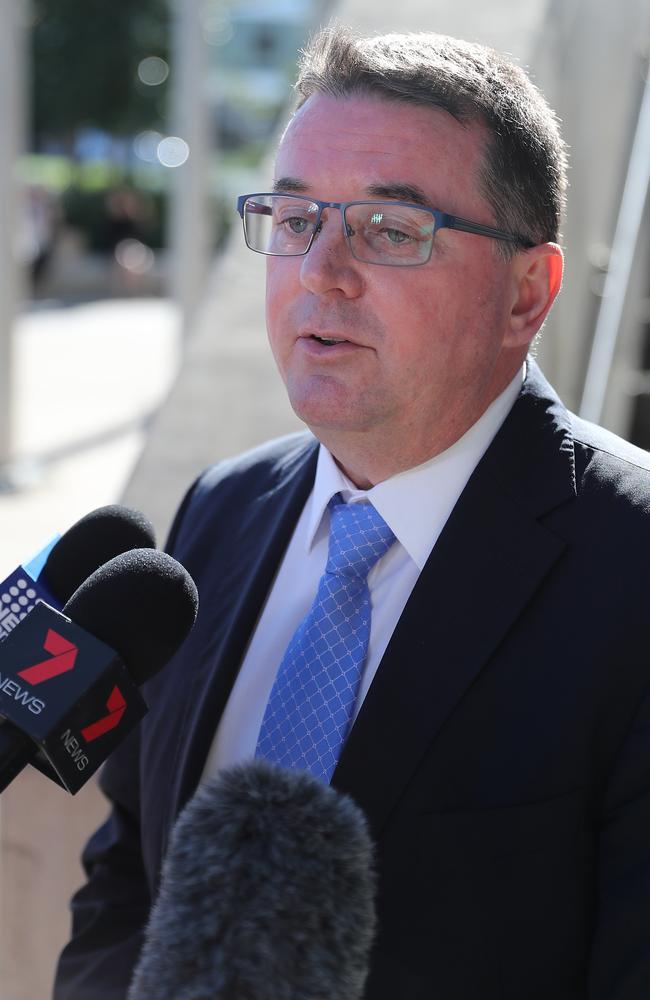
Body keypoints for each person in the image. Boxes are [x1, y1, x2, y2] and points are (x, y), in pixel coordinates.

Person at [55, 26, 650, 999]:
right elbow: (129, 867)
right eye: (292, 219)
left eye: (387, 229)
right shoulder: (220, 509)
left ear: (525, 293)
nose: (319, 272)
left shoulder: (626, 567)